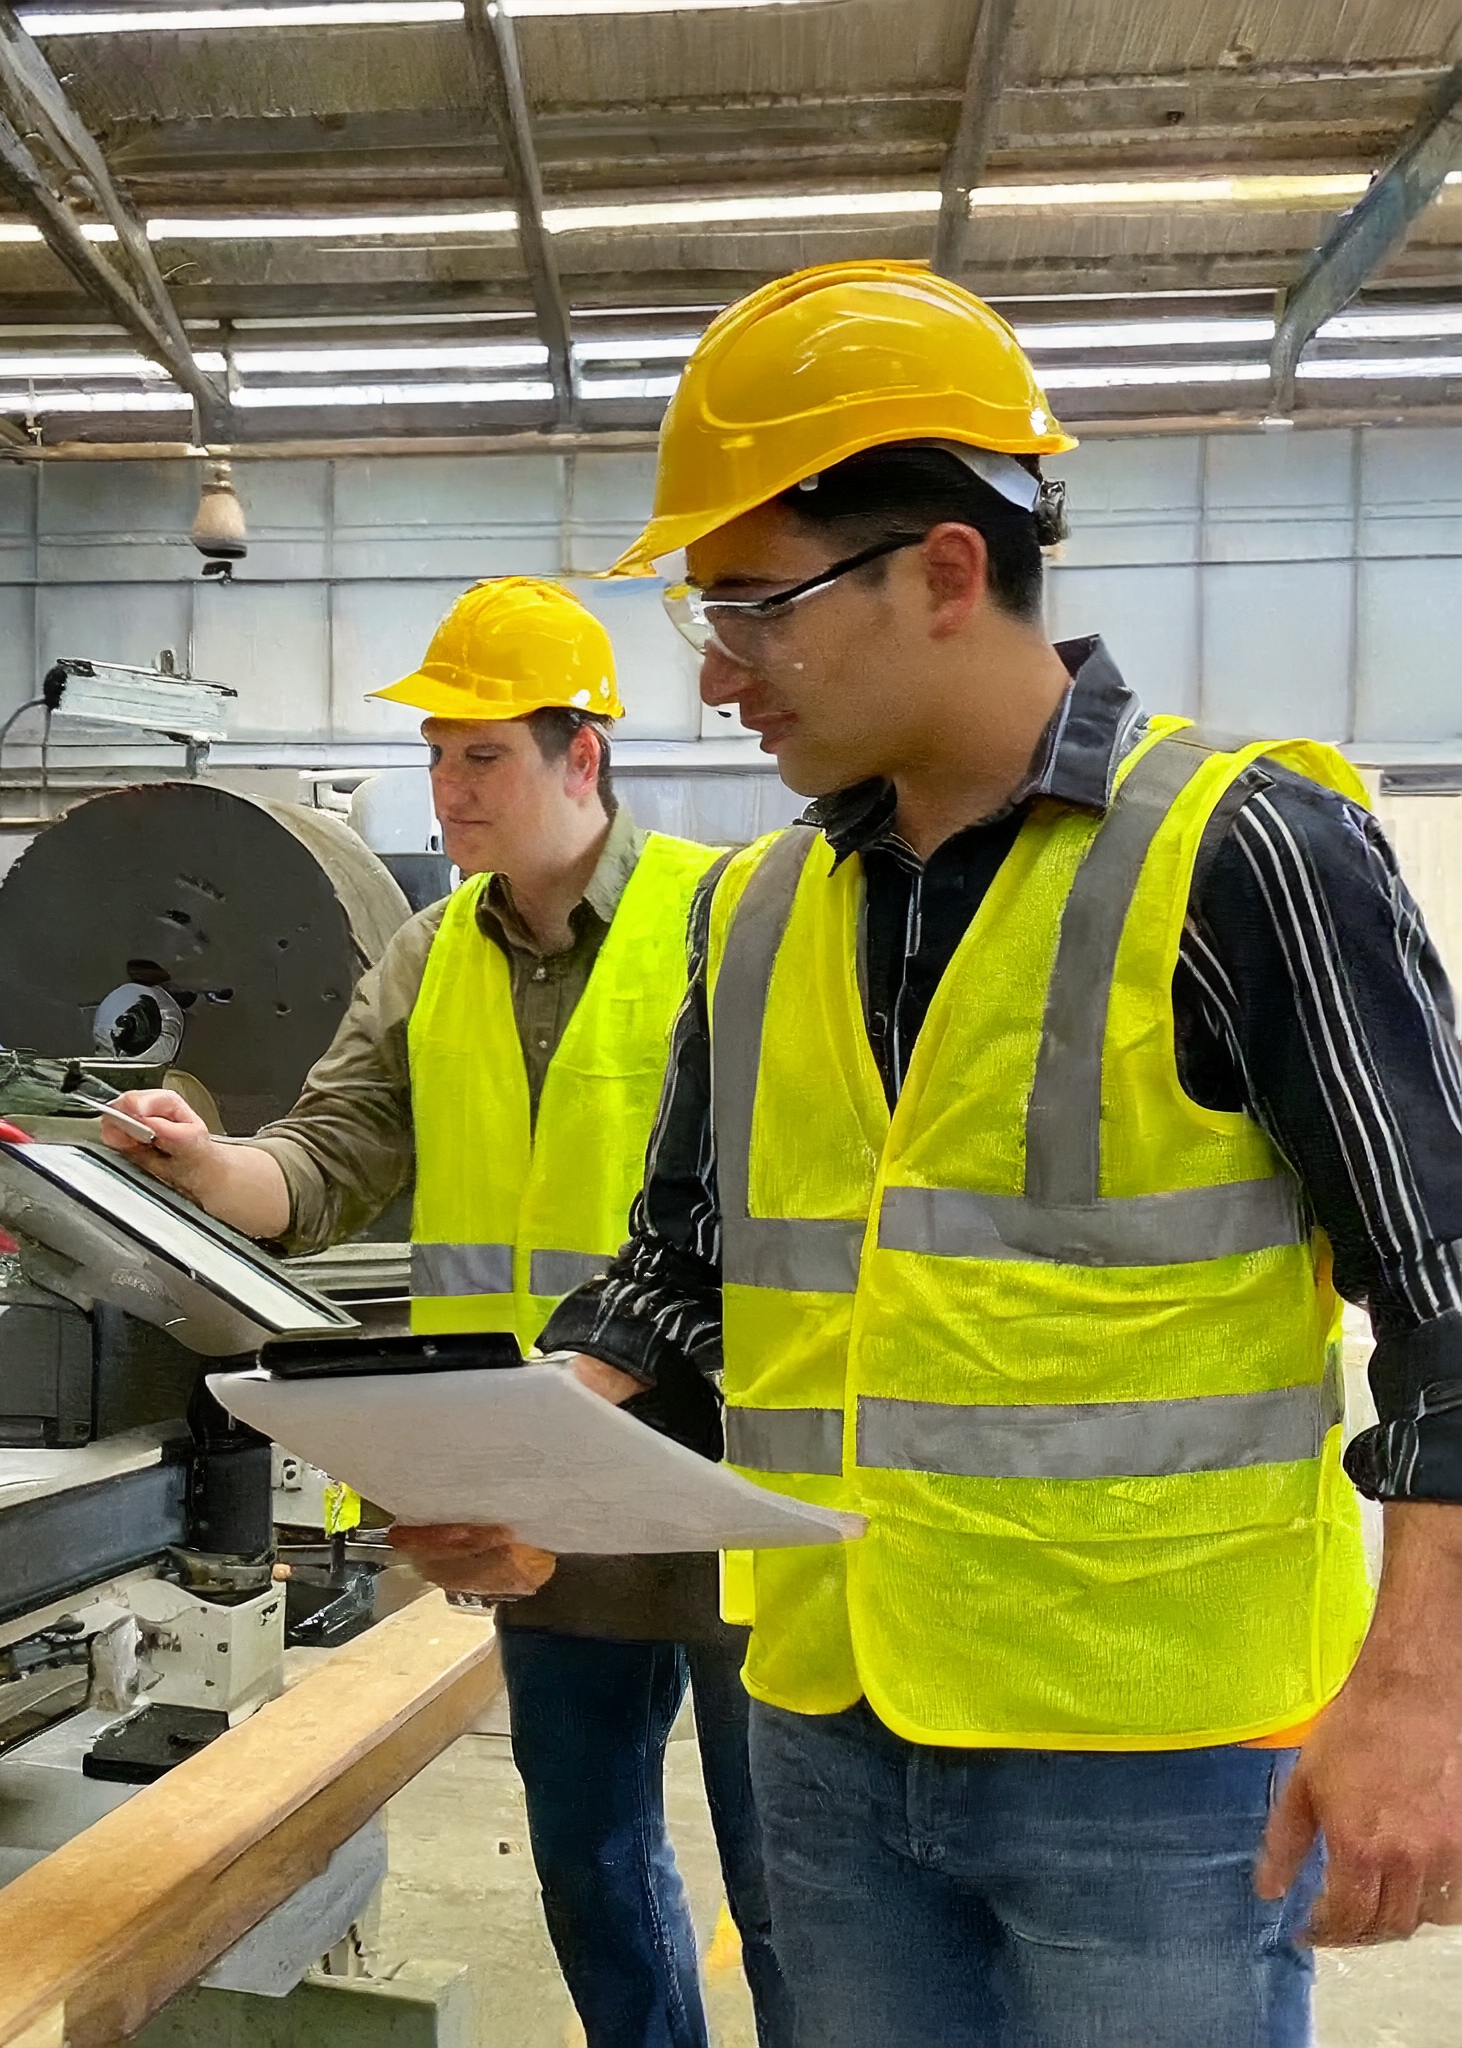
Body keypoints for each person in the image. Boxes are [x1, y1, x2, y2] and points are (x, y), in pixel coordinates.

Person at [440, 260, 1462, 2047]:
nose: (712, 669)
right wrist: (530, 1448)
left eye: (750, 605)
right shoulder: (755, 913)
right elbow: (682, 1272)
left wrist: (1421, 1683)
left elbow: (1447, 1293)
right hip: (827, 1720)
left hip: (1151, 1752)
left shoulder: (1241, 852)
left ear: (941, 570)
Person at [99, 577, 788, 2048]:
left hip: (728, 1473)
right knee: (590, 1859)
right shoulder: (427, 954)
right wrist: (205, 1156)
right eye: (436, 756)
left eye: (481, 756)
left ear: (580, 757)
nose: (447, 790)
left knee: (790, 1879)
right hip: (535, 1495)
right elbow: (328, 1163)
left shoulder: (724, 918)